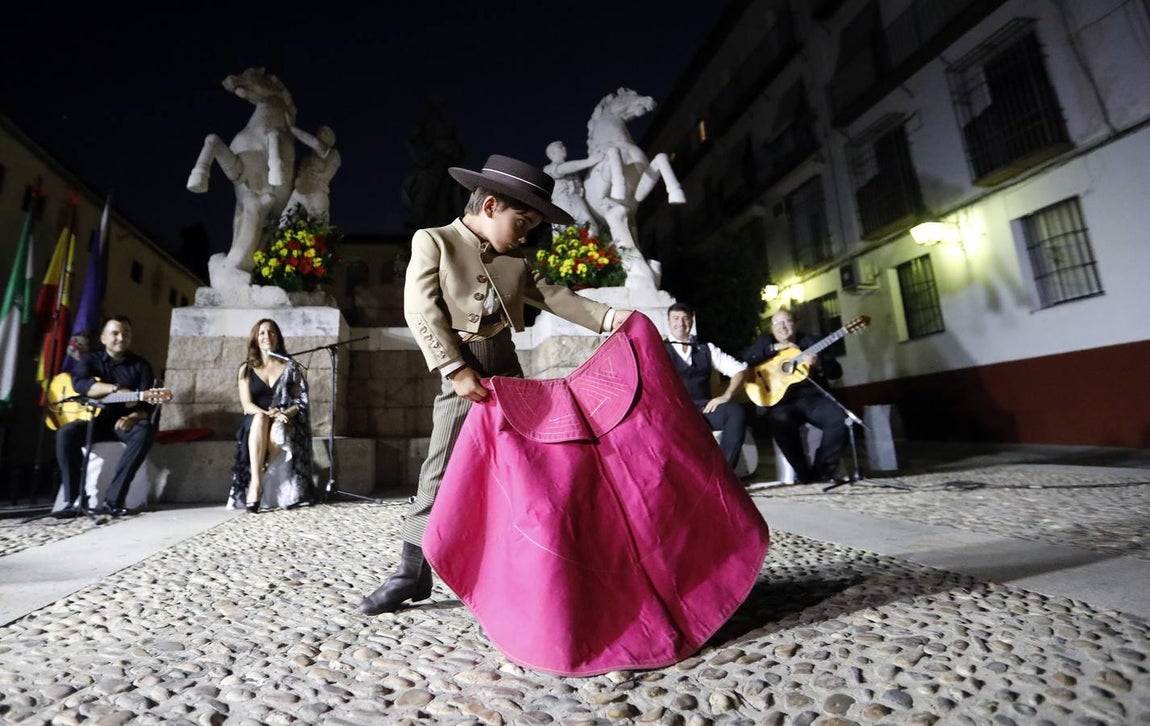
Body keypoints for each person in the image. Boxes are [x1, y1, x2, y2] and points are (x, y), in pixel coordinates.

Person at [358, 153, 634, 616]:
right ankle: (412, 570)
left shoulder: (515, 260)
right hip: (463, 376)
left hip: (509, 376)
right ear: (489, 207)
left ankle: (540, 561)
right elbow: (420, 309)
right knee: (441, 470)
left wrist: (610, 317)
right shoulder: (435, 241)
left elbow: (554, 296)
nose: (526, 234)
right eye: (521, 221)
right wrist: (455, 369)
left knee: (531, 465)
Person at [54, 315, 162, 518]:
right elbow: (81, 385)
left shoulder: (141, 366)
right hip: (96, 422)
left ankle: (114, 500)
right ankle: (75, 499)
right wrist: (116, 389)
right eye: (115, 333)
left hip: (124, 424)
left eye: (126, 334)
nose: (121, 338)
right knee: (66, 434)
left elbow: (147, 405)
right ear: (103, 338)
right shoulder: (90, 360)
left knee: (145, 431)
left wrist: (133, 417)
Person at [740, 309, 847, 484]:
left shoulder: (811, 342)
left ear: (796, 324)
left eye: (787, 322)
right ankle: (803, 474)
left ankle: (822, 472)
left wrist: (819, 364)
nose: (782, 327)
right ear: (772, 328)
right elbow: (746, 357)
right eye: (777, 323)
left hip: (812, 399)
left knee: (839, 419)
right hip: (781, 403)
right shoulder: (766, 341)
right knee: (780, 422)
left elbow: (836, 372)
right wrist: (774, 348)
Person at [228, 318, 313, 513]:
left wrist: (284, 413)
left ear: (278, 338)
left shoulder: (290, 367)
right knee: (260, 419)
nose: (267, 336)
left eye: (271, 332)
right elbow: (247, 405)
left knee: (279, 427)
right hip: (255, 419)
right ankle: (256, 485)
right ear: (255, 339)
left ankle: (260, 469)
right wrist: (268, 413)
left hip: (283, 418)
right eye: (262, 333)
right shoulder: (246, 369)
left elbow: (300, 401)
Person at [664, 302, 749, 470]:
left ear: (691, 322)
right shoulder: (659, 349)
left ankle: (725, 473)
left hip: (704, 409)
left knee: (735, 412)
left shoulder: (706, 349)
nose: (680, 323)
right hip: (676, 412)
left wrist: (726, 396)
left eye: (685, 318)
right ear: (668, 322)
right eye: (675, 318)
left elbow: (739, 371)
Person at [282, 124, 341, 223]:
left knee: (318, 224)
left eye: (327, 133)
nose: (323, 132)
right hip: (299, 191)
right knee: (285, 219)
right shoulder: (306, 158)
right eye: (322, 130)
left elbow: (315, 143)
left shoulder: (331, 153)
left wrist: (291, 128)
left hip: (317, 192)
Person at [542, 140, 601, 236]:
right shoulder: (548, 168)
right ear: (553, 153)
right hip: (562, 204)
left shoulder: (574, 170)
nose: (564, 148)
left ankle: (592, 249)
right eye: (560, 147)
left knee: (591, 227)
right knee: (562, 232)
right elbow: (562, 169)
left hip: (578, 202)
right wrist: (590, 161)